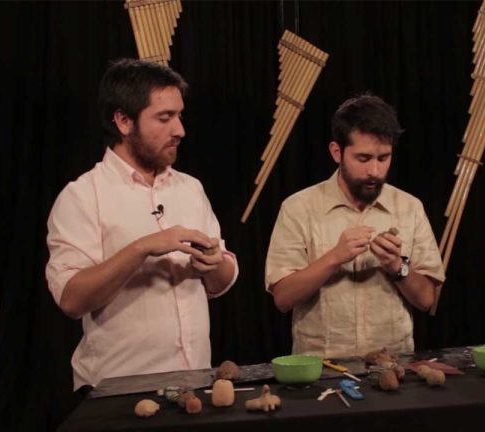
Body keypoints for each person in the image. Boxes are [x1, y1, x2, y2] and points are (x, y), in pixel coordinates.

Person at [45, 59, 239, 391]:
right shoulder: (83, 196)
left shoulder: (190, 189)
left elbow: (219, 282)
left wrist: (214, 263)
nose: (180, 130)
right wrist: (142, 248)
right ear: (123, 121)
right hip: (118, 392)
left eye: (179, 116)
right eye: (164, 118)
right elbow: (71, 300)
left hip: (195, 384)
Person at [265, 94, 445, 358]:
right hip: (322, 367)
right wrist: (334, 258)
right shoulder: (298, 208)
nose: (375, 171)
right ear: (336, 152)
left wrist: (397, 266)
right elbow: (283, 298)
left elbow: (427, 299)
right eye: (363, 158)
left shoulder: (409, 207)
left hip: (393, 363)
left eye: (383, 158)